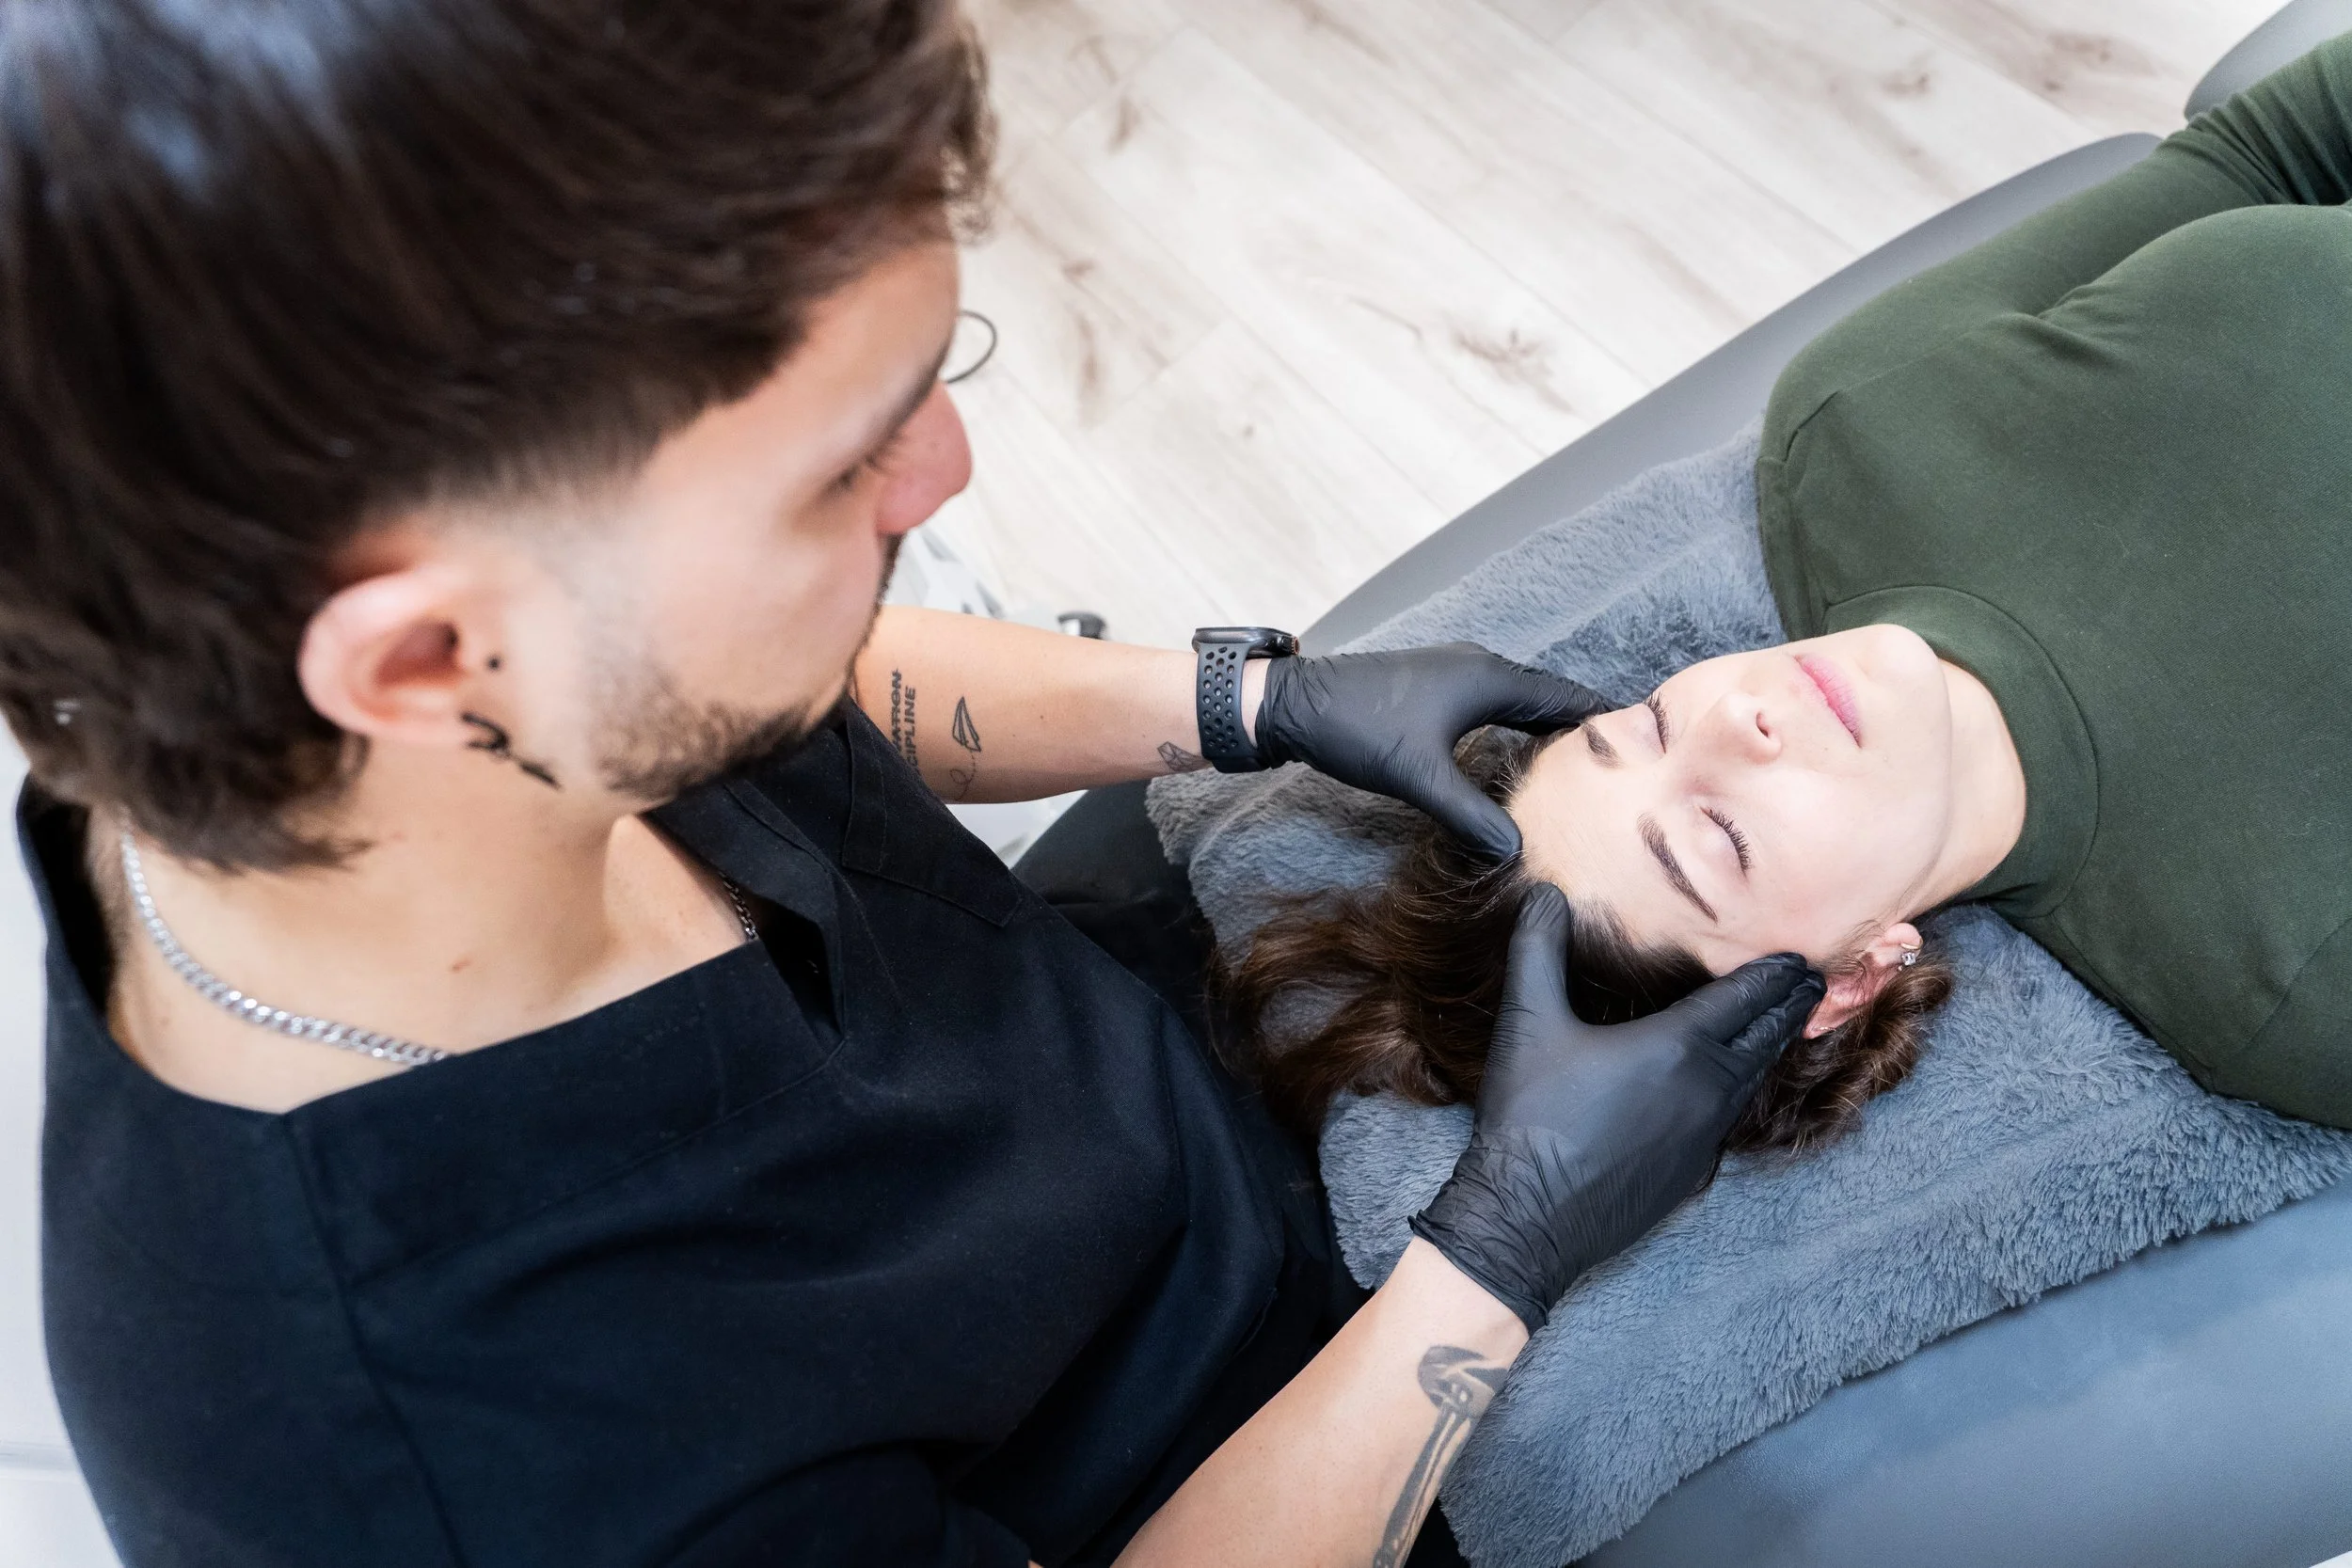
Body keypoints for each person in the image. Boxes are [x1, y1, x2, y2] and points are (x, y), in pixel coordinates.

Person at [1, 4, 1823, 1565]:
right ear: (418, 660)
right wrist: (1487, 1261)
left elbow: (785, 689)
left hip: (1190, 1065)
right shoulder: (471, 1453)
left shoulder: (416, 726)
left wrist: (1247, 698)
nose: (942, 472)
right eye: (834, 469)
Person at [1229, 32, 2352, 1146]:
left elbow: (2267, 154)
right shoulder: (2287, 987)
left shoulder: (1858, 427)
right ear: (1842, 985)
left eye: (1646, 723)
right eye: (1718, 835)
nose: (1735, 717)